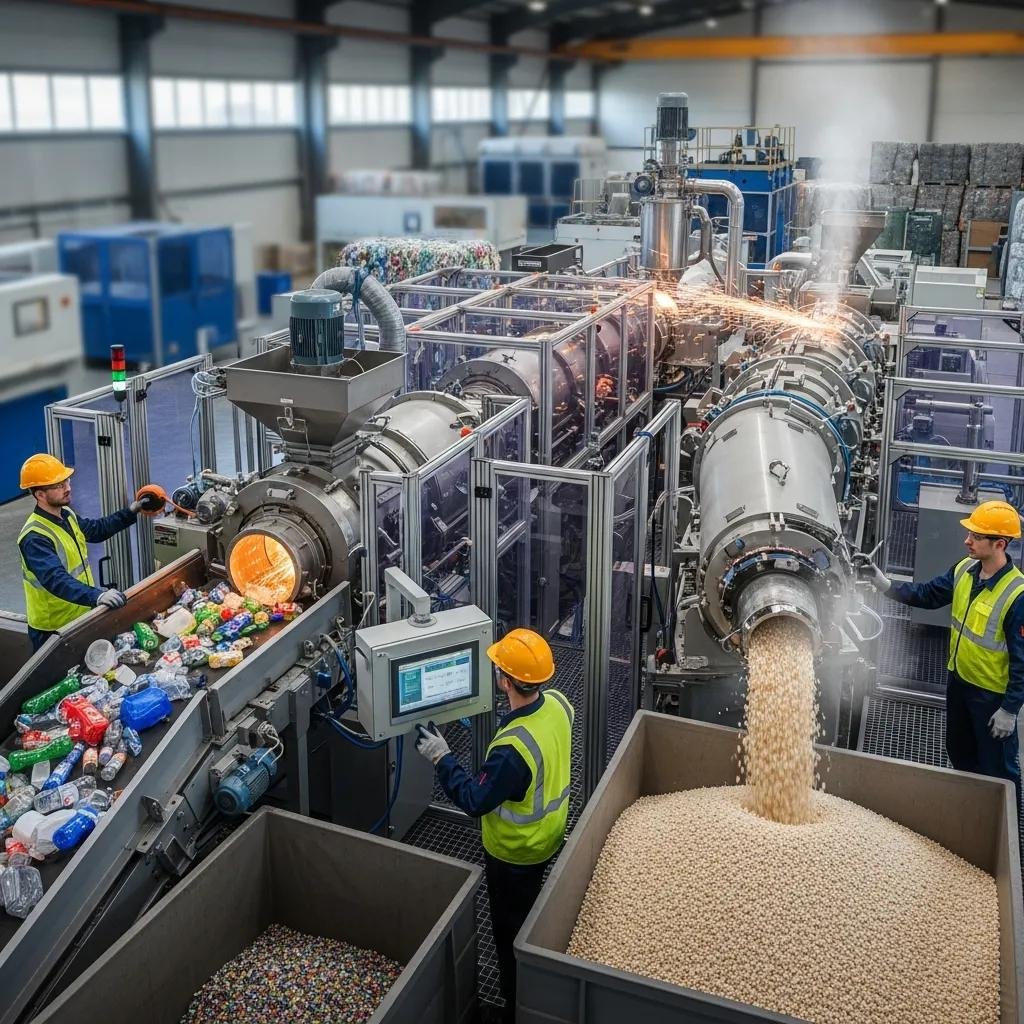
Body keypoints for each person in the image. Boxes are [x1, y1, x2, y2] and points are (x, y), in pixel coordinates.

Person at [415, 628, 573, 1021]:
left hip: (515, 853)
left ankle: (515, 1004)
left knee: (509, 930)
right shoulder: (559, 703)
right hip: (552, 835)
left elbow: (474, 800)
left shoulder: (512, 750)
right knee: (536, 915)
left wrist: (442, 757)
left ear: (505, 681)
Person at [855, 499, 1024, 806]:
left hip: (991, 698)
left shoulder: (1017, 595)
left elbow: (1022, 663)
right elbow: (928, 595)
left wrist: (1010, 710)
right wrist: (884, 584)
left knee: (998, 770)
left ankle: (1008, 838)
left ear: (999, 544)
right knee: (960, 755)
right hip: (959, 683)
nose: (967, 540)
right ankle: (968, 814)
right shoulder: (965, 570)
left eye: (976, 536)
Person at [18, 453, 165, 651]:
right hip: (53, 630)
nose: (68, 488)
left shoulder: (66, 514)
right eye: (59, 485)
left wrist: (132, 510)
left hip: (80, 616)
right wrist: (96, 596)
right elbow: (56, 580)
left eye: (66, 481)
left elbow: (96, 530)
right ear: (40, 494)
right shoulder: (35, 537)